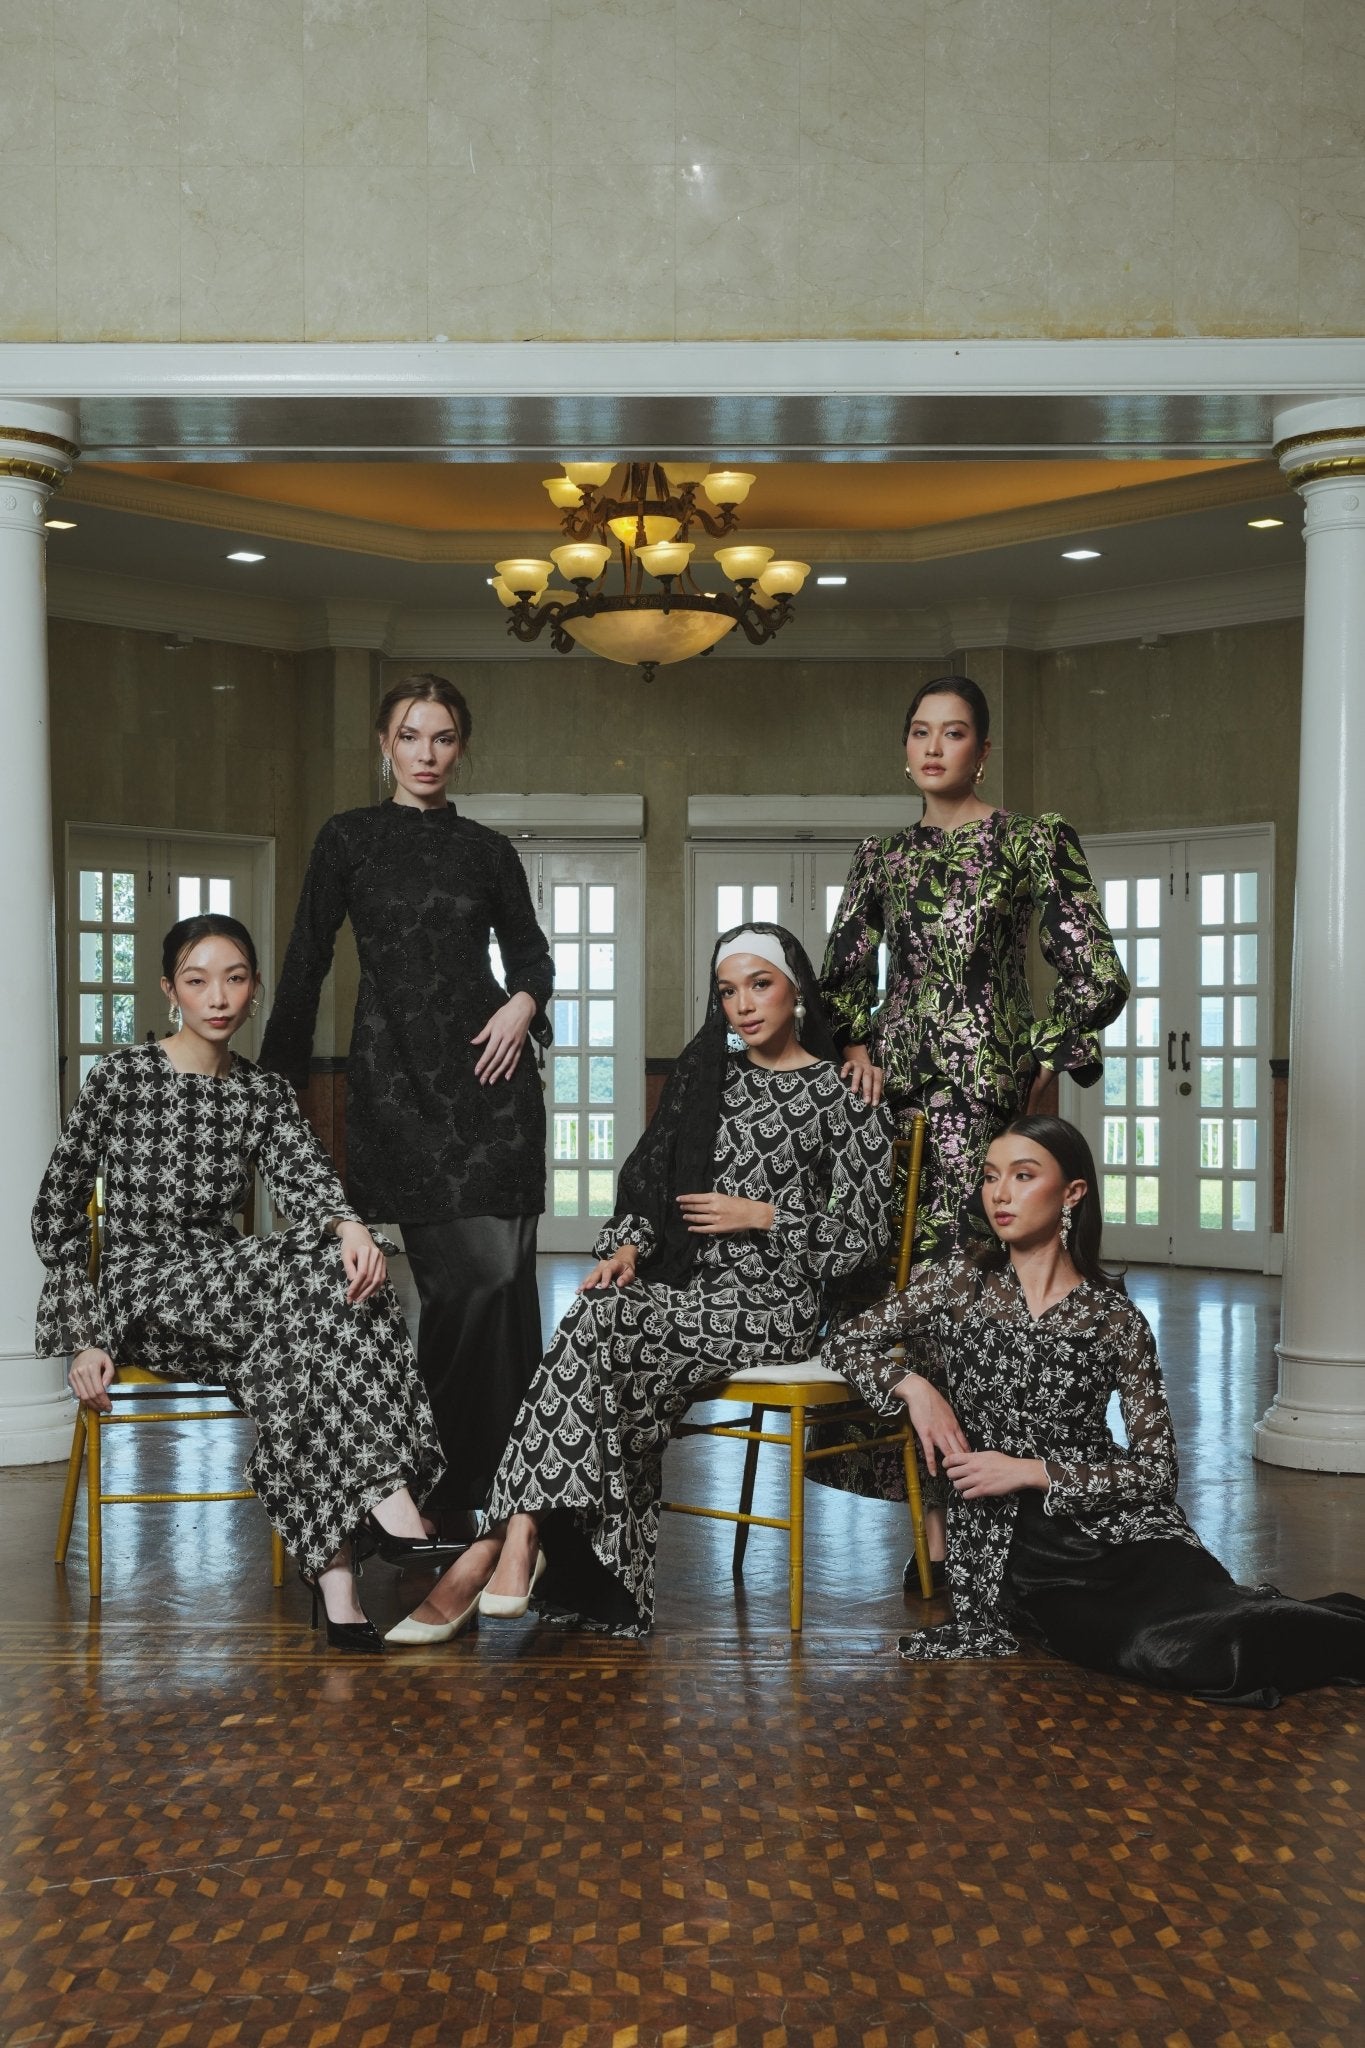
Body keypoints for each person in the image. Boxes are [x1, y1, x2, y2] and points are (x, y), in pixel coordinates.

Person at [387, 922, 896, 1643]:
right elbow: (652, 1190)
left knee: (598, 1329)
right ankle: (522, 1532)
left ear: (797, 992)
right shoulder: (707, 1079)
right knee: (600, 1309)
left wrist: (763, 1215)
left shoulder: (843, 1095)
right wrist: (627, 1249)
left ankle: (500, 1539)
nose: (744, 1005)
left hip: (774, 1310)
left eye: (760, 985)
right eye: (728, 991)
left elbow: (864, 1243)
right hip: (688, 1293)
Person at [825, 1116, 1365, 1706]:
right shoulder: (960, 1283)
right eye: (990, 1177)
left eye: (1023, 1176)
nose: (1000, 1194)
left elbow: (1157, 1471)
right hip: (1023, 1553)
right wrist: (916, 1388)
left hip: (1129, 1532)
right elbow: (845, 1342)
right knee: (1166, 1651)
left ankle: (1331, 1631)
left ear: (1072, 1192)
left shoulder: (1114, 1319)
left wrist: (1033, 1471)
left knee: (1214, 1617)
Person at [33, 914, 452, 1653]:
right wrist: (84, 1336)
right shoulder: (121, 1079)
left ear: (254, 988)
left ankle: (337, 1582)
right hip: (145, 1289)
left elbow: (306, 1179)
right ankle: (391, 1502)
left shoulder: (262, 1092)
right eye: (197, 981)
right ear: (171, 991)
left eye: (233, 979)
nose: (218, 997)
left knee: (313, 1320)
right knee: (323, 1285)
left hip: (231, 1287)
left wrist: (349, 1226)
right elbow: (55, 1213)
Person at [815, 674, 1130, 1572]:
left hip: (980, 1105)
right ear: (904, 747)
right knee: (891, 1301)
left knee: (969, 1302)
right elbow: (839, 977)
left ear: (980, 752)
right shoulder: (879, 855)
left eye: (952, 733)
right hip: (889, 1117)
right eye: (919, 731)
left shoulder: (1030, 841)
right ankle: (929, 1530)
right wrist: (858, 1044)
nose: (933, 747)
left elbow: (1096, 972)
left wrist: (1040, 1050)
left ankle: (981, 1527)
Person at [259, 674, 554, 1538]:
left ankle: (507, 1494)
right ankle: (437, 1485)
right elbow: (306, 959)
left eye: (443, 738)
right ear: (384, 744)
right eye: (411, 736)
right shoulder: (348, 838)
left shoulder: (488, 852)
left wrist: (523, 1003)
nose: (427, 754)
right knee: (463, 1286)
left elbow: (532, 957)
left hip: (493, 1082)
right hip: (401, 1089)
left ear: (461, 747)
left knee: (504, 1285)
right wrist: (272, 1089)